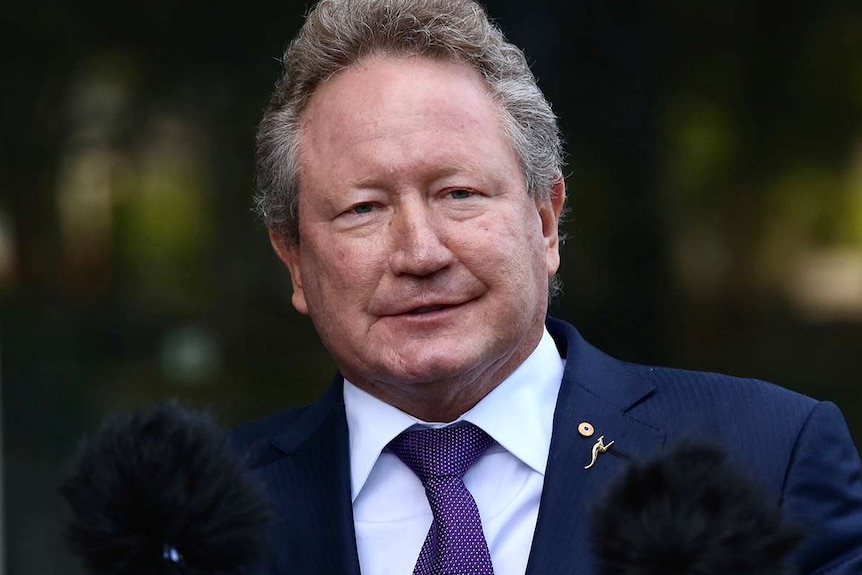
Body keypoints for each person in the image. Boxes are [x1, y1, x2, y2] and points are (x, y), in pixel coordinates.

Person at [233, 0, 862, 573]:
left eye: (459, 194)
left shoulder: (771, 456)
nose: (420, 254)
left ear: (545, 222)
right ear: (293, 261)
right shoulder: (191, 518)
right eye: (363, 209)